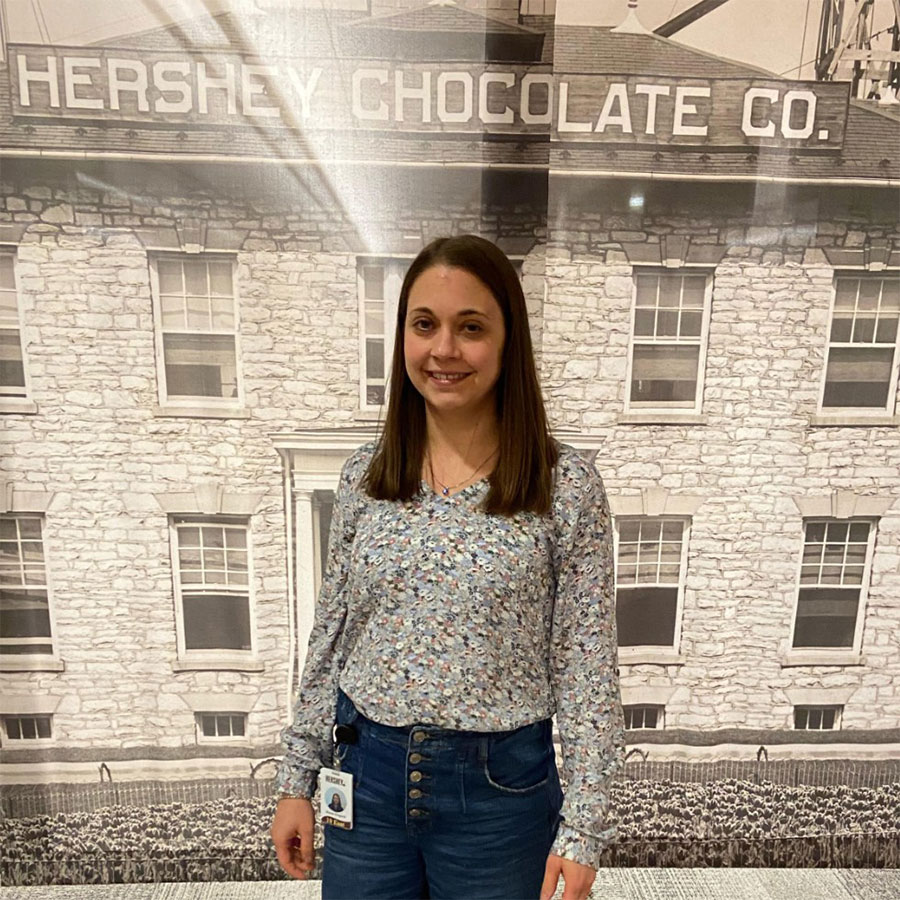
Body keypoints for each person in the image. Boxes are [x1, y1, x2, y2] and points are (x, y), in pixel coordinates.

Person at [270, 235, 625, 900]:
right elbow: (330, 639)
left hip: (498, 801)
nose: (444, 350)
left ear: (508, 342)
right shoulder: (364, 479)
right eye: (424, 324)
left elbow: (587, 667)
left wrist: (584, 828)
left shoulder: (565, 486)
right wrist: (297, 778)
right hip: (366, 784)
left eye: (471, 328)